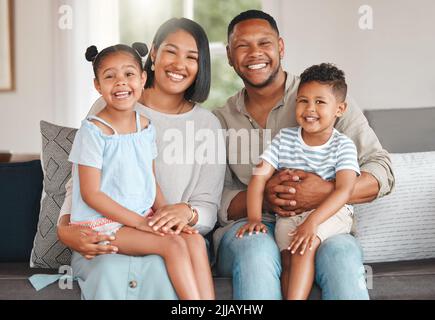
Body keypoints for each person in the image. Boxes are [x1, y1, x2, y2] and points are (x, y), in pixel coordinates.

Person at [213, 10, 395, 300]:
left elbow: (382, 170)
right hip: (250, 226)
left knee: (341, 256)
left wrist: (325, 193)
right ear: (230, 55)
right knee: (256, 250)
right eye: (242, 45)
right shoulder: (219, 120)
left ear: (281, 47)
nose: (254, 53)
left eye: (265, 43)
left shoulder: (324, 98)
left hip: (323, 219)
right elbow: (213, 195)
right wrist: (262, 198)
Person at [56, 18, 225, 300]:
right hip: (110, 225)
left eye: (191, 57)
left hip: (151, 223)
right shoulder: (109, 108)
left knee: (192, 241)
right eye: (171, 51)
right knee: (162, 253)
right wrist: (65, 228)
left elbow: (165, 188)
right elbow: (82, 185)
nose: (179, 64)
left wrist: (181, 215)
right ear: (155, 53)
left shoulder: (196, 124)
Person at [236, 63, 361, 300]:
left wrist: (312, 222)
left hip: (330, 215)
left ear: (340, 109)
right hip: (289, 218)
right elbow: (258, 178)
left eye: (320, 102)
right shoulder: (286, 138)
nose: (309, 108)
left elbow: (345, 190)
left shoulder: (342, 145)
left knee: (305, 245)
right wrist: (254, 218)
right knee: (287, 260)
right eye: (303, 101)